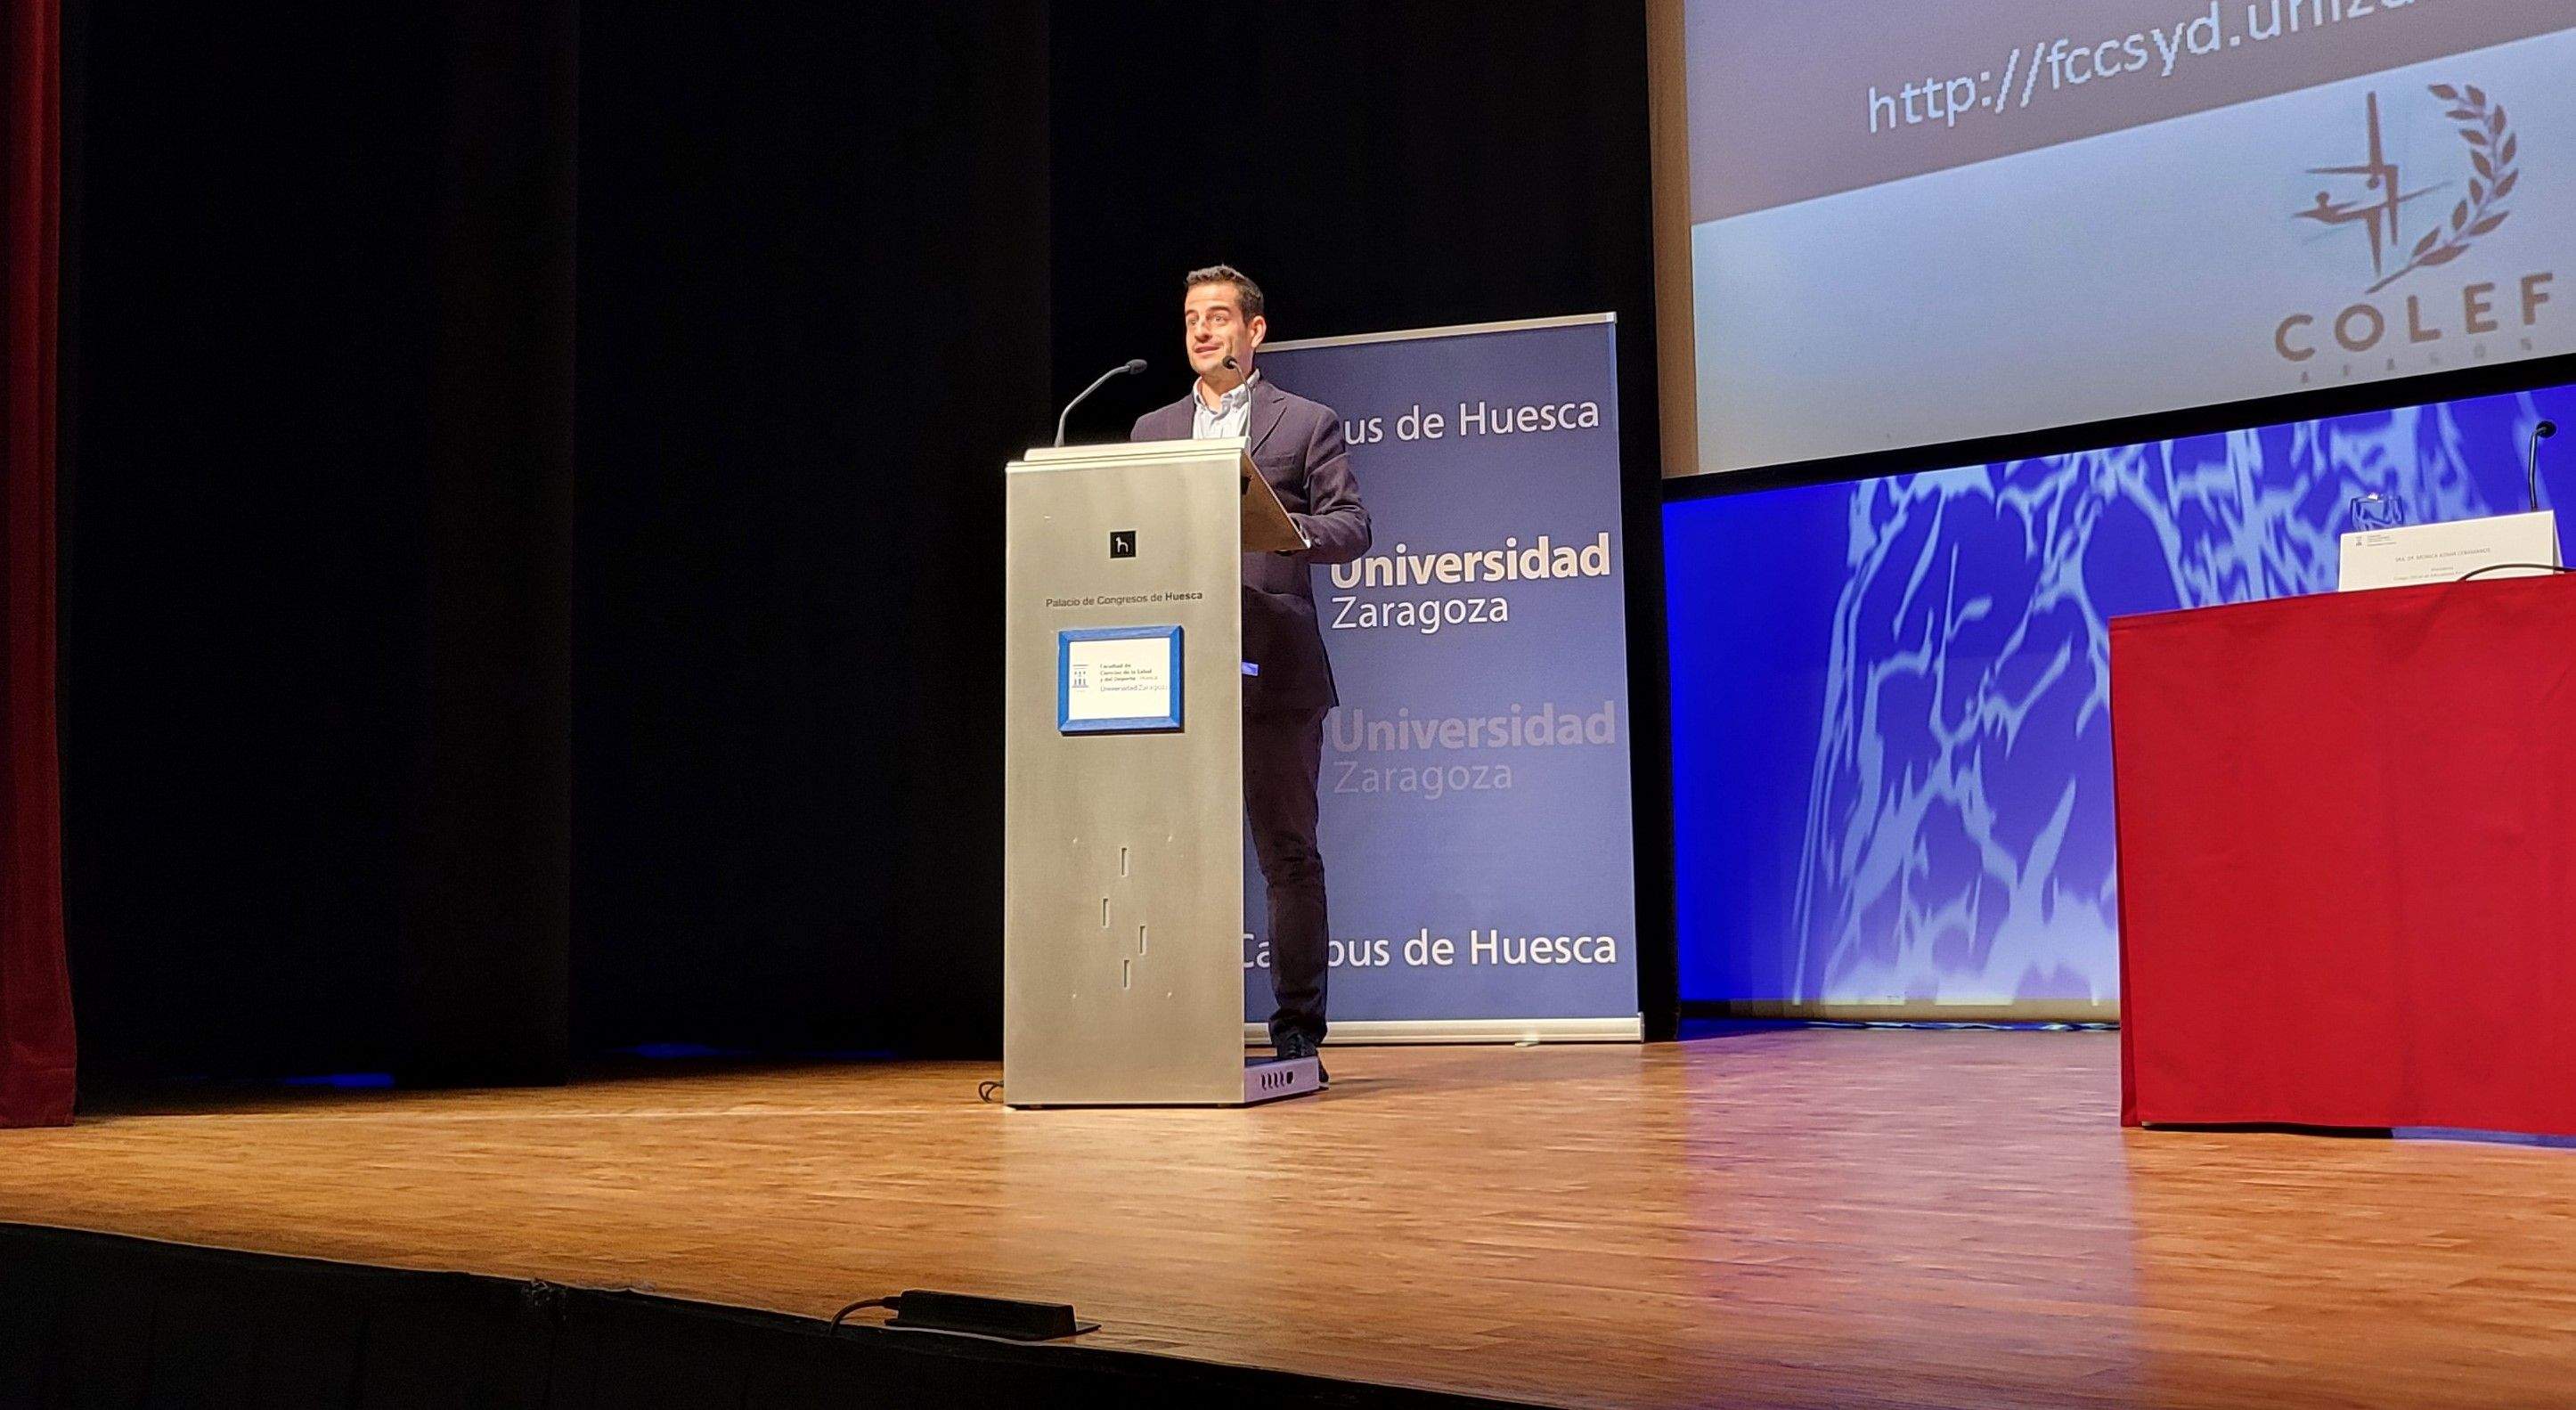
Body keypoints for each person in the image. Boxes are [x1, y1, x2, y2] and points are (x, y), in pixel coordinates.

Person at [1130, 265, 1369, 1079]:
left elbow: (1353, 527)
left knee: (1286, 854)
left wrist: (1279, 525)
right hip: (1176, 669)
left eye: (1219, 317)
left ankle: (1297, 1030)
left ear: (1254, 333)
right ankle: (1171, 1022)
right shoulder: (1152, 431)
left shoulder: (1305, 424)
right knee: (1167, 850)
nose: (1202, 331)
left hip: (1276, 667)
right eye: (1192, 318)